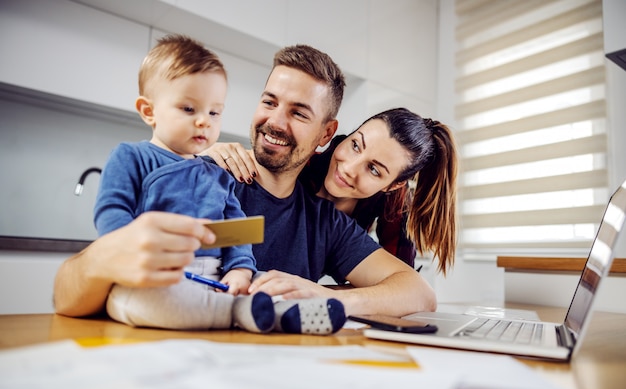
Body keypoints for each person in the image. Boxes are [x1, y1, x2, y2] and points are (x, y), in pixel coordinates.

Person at [53, 43, 436, 322]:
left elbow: (418, 293)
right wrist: (109, 256)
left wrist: (325, 296)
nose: (275, 122)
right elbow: (66, 296)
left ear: (326, 134)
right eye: (270, 103)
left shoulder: (324, 223)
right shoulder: (203, 178)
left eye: (299, 113)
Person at [93, 34, 345, 335]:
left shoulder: (220, 176)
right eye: (189, 109)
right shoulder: (131, 157)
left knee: (262, 282)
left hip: (216, 277)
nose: (204, 122)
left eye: (214, 112)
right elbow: (111, 212)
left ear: (326, 133)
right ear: (149, 111)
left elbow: (237, 231)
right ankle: (246, 314)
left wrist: (240, 269)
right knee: (137, 301)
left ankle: (285, 311)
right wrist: (129, 251)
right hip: (154, 277)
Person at [210, 108, 458, 275]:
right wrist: (202, 157)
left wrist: (327, 294)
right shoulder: (298, 165)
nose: (349, 168)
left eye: (373, 169)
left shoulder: (394, 204)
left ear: (393, 185)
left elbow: (399, 278)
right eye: (355, 145)